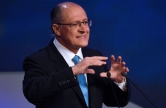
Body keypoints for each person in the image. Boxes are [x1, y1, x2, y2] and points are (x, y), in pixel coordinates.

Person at [23, 2, 130, 108]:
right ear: (57, 29)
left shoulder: (94, 56)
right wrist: (73, 71)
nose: (84, 29)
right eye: (74, 24)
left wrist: (119, 82)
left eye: (85, 22)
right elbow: (33, 94)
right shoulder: (39, 60)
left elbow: (114, 101)